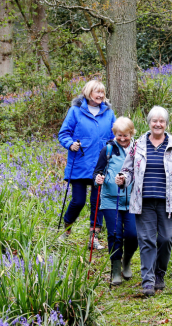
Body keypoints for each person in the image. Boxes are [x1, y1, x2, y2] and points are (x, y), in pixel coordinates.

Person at [116, 106, 172, 297]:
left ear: (166, 124)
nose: (158, 124)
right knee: (146, 240)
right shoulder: (138, 145)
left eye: (162, 121)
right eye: (154, 121)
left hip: (170, 202)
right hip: (143, 201)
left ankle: (160, 273)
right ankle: (148, 281)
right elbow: (128, 170)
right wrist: (122, 179)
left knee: (166, 239)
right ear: (149, 122)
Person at [58, 80, 115, 249]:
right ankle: (66, 229)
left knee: (98, 201)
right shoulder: (75, 111)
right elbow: (64, 133)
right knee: (78, 201)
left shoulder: (109, 113)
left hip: (101, 165)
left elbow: (116, 134)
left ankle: (94, 237)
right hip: (80, 163)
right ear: (88, 93)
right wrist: (70, 143)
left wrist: (113, 147)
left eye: (102, 93)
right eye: (97, 92)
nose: (100, 95)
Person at [94, 117, 137, 286]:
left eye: (126, 135)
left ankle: (127, 261)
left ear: (131, 133)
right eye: (119, 135)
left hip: (133, 199)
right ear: (115, 134)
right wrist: (97, 178)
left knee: (133, 235)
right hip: (111, 200)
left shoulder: (138, 150)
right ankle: (116, 268)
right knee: (114, 234)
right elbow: (97, 172)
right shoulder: (108, 150)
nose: (123, 139)